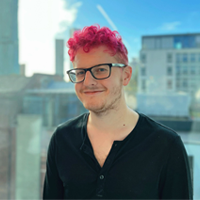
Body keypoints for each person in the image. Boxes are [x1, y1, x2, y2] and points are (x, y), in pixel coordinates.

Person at [43, 25, 193, 199]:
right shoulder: (62, 138)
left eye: (100, 70)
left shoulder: (166, 145)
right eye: (80, 72)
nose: (88, 81)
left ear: (126, 76)